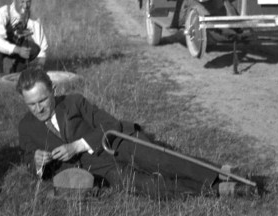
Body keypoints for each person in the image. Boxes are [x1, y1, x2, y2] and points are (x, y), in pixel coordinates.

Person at [16, 67, 252, 199]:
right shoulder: (26, 127)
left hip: (119, 142)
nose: (39, 108)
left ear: (54, 91)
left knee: (162, 161)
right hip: (99, 170)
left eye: (43, 100)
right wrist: (37, 162)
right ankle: (219, 190)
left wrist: (76, 146)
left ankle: (222, 173)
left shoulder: (74, 102)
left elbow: (110, 123)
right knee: (147, 186)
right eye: (31, 104)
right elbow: (28, 160)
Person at [0, 0, 48, 78]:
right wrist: (18, 50)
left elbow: (41, 44)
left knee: (34, 49)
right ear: (14, 0)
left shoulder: (32, 18)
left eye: (28, 2)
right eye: (22, 2)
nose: (25, 5)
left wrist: (40, 63)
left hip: (17, 42)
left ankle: (15, 74)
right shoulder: (3, 13)